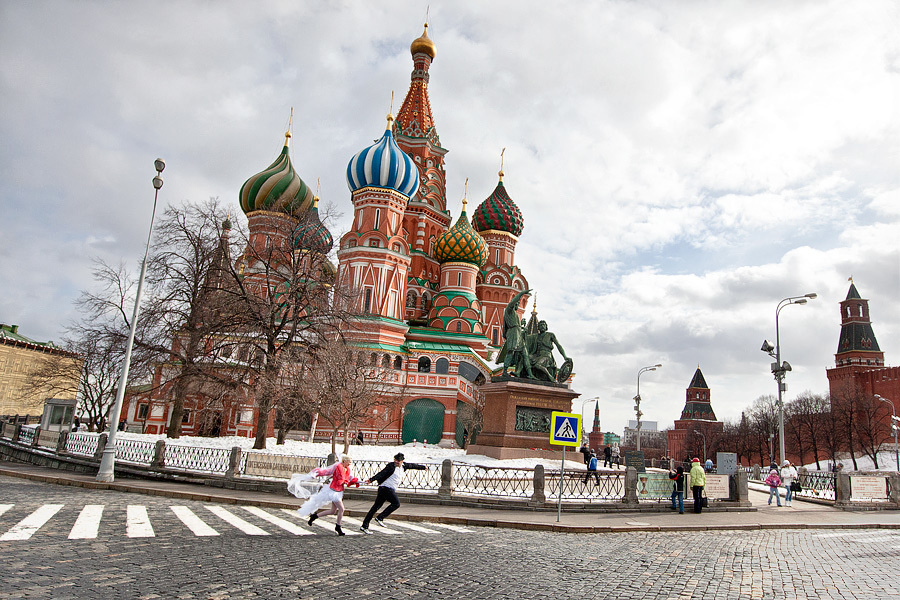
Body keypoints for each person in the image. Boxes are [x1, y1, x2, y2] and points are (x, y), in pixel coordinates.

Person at [360, 453, 427, 533]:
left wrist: (423, 467)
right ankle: (380, 517)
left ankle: (364, 526)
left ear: (402, 461)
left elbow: (412, 466)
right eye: (395, 460)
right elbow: (382, 473)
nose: (396, 462)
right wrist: (371, 480)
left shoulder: (404, 466)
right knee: (396, 504)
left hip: (386, 489)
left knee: (375, 507)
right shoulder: (391, 466)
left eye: (398, 461)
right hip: (386, 488)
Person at [296, 455, 359, 535]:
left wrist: (358, 481)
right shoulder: (338, 467)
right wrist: (316, 474)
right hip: (333, 492)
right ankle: (338, 526)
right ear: (344, 461)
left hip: (339, 491)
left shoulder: (347, 469)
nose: (350, 463)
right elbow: (328, 473)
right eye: (349, 461)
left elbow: (349, 478)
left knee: (333, 511)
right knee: (342, 509)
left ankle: (314, 516)